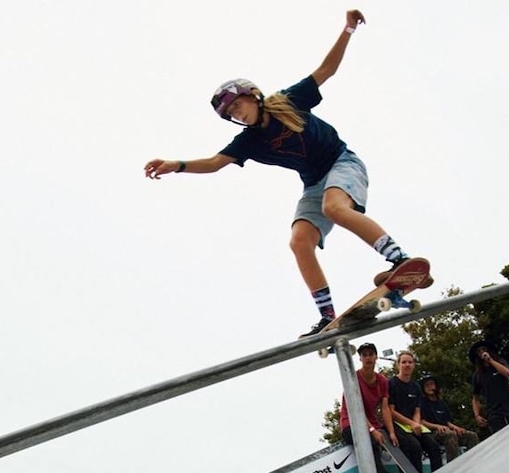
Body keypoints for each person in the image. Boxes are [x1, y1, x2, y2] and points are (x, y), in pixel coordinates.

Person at [144, 9, 429, 338]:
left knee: (333, 207)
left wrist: (347, 30)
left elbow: (327, 70)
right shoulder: (248, 141)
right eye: (232, 114)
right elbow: (213, 163)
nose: (238, 115)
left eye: (239, 106)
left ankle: (399, 258)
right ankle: (327, 316)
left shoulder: (289, 101)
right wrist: (175, 165)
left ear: (253, 96)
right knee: (299, 241)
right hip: (313, 184)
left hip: (342, 163)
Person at [339, 342, 409, 473]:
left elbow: (385, 409)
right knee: (369, 443)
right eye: (364, 355)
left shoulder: (382, 381)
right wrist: (371, 430)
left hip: (371, 423)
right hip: (350, 423)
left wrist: (391, 432)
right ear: (360, 359)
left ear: (376, 357)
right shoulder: (353, 378)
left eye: (371, 354)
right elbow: (355, 409)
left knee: (399, 437)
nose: (368, 358)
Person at [388, 352, 444, 473]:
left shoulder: (416, 387)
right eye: (404, 362)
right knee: (415, 446)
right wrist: (411, 424)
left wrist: (415, 423)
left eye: (410, 362)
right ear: (398, 365)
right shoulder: (391, 383)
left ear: (413, 365)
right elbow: (391, 411)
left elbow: (417, 410)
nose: (407, 365)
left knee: (433, 446)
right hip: (398, 424)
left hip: (414, 424)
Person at [419, 374, 479, 462]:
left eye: (431, 384)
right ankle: (454, 465)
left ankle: (473, 462)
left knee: (471, 435)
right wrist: (437, 426)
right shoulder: (422, 402)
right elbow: (421, 421)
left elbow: (447, 421)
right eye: (427, 385)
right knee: (451, 435)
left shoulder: (441, 403)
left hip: (446, 429)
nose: (429, 387)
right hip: (431, 432)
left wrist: (456, 428)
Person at [470, 340, 509, 433]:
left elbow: (507, 373)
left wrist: (490, 360)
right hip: (494, 411)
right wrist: (477, 415)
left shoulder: (500, 362)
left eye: (483, 349)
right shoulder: (477, 375)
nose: (482, 352)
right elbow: (475, 398)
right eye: (479, 351)